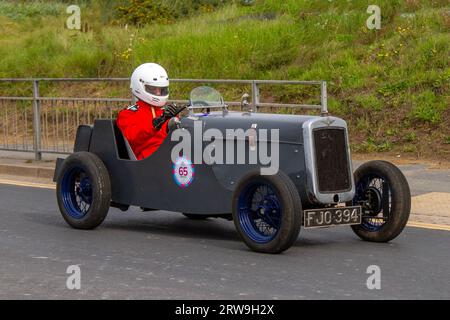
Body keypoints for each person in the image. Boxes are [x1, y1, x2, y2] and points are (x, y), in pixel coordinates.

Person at [117, 63, 184, 160]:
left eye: (161, 89)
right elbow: (132, 138)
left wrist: (174, 124)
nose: (158, 93)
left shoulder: (166, 112)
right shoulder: (128, 114)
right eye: (153, 89)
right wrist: (155, 124)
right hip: (148, 161)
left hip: (172, 155)